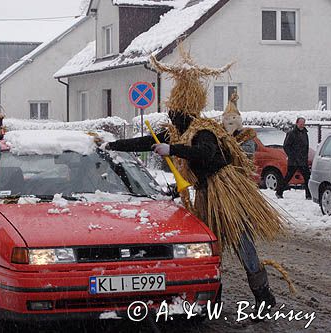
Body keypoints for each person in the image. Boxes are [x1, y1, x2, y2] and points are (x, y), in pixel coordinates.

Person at [101, 47, 286, 313]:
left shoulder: (203, 130)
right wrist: (114, 145)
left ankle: (263, 296)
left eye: (175, 112)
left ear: (184, 112)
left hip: (225, 192)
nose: (170, 117)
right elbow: (145, 141)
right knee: (212, 245)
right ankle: (215, 297)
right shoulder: (175, 132)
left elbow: (206, 155)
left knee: (242, 241)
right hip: (206, 194)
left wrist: (173, 150)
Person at [275, 117, 311, 199]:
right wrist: (292, 156)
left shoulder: (305, 133)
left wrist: (305, 157)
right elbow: (286, 146)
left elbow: (306, 146)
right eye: (301, 124)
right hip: (294, 161)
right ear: (297, 123)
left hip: (303, 160)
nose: (302, 125)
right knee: (288, 177)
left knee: (307, 177)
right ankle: (279, 192)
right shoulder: (292, 133)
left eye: (303, 124)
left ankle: (308, 195)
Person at [222, 91, 257, 159]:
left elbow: (249, 150)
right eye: (227, 118)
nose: (230, 121)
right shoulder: (221, 134)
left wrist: (231, 147)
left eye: (234, 118)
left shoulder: (246, 135)